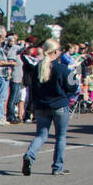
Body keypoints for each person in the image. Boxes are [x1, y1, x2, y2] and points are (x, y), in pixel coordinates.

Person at [22, 39, 78, 177]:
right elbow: (73, 86)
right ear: (54, 52)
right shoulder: (62, 68)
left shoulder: (38, 68)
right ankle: (57, 167)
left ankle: (30, 155)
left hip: (41, 105)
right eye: (59, 50)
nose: (60, 52)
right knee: (60, 136)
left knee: (41, 135)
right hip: (59, 105)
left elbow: (33, 88)